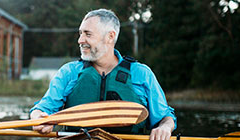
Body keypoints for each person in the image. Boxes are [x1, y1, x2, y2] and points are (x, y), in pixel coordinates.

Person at [29, 9, 176, 140]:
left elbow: (165, 117)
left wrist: (165, 127)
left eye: (88, 34)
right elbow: (43, 109)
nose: (80, 40)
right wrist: (38, 117)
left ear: (110, 37)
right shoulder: (68, 72)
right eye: (80, 33)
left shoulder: (141, 74)